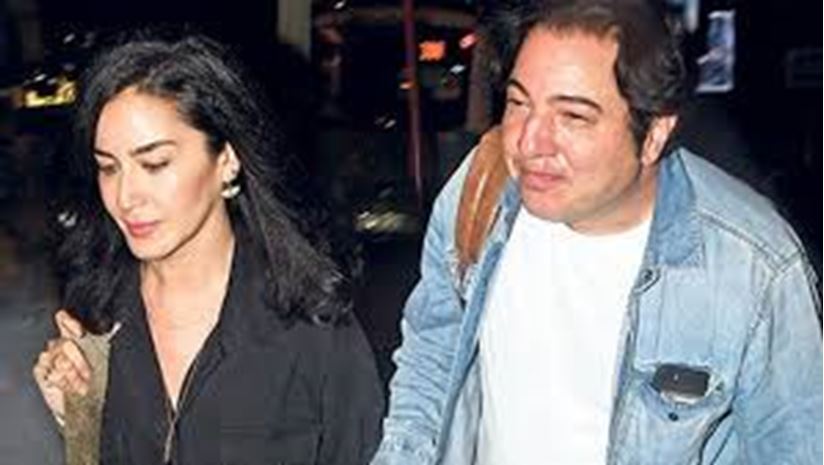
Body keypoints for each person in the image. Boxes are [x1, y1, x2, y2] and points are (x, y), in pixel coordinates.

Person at [371, 0, 822, 464]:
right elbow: (433, 355)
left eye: (573, 117)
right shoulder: (482, 189)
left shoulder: (753, 267)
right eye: (519, 103)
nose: (529, 142)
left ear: (653, 135)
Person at [32, 33, 383, 465]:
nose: (125, 197)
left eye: (154, 164)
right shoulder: (98, 313)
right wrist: (75, 416)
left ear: (227, 160)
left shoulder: (308, 321)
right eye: (108, 168)